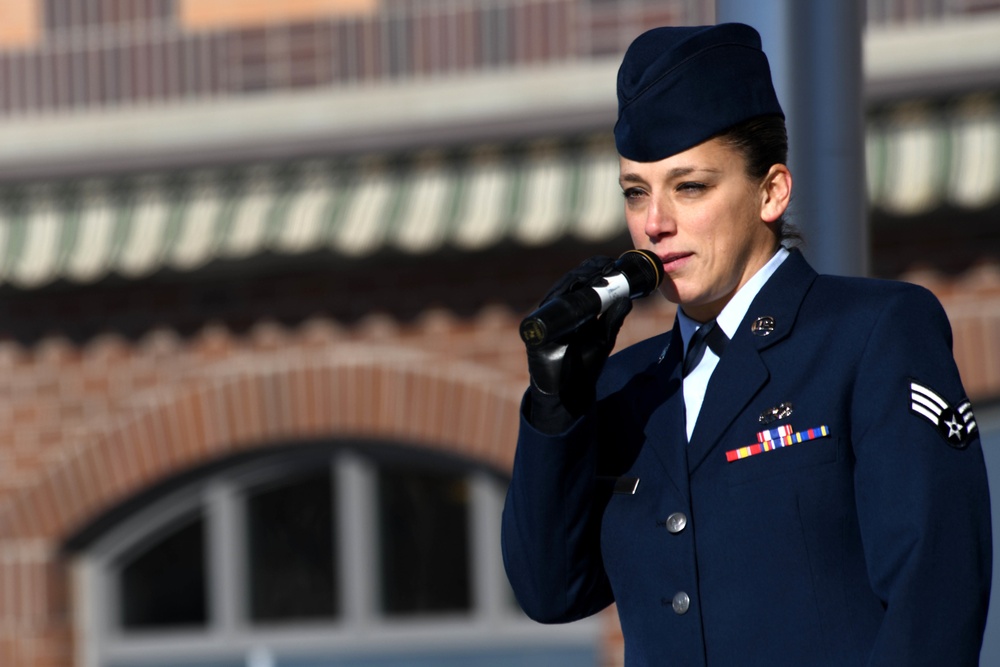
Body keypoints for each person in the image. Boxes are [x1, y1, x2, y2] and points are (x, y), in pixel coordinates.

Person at [501, 23, 992, 667]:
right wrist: (555, 406)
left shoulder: (871, 334)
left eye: (690, 186)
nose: (656, 223)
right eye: (636, 192)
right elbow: (549, 590)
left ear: (771, 191)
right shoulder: (627, 387)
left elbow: (935, 597)